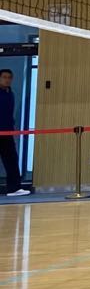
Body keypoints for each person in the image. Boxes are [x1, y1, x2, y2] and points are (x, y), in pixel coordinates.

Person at [0, 68, 28, 197]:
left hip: (7, 133)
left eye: (9, 77)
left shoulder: (10, 93)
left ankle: (14, 188)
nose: (7, 80)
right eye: (4, 77)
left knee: (11, 159)